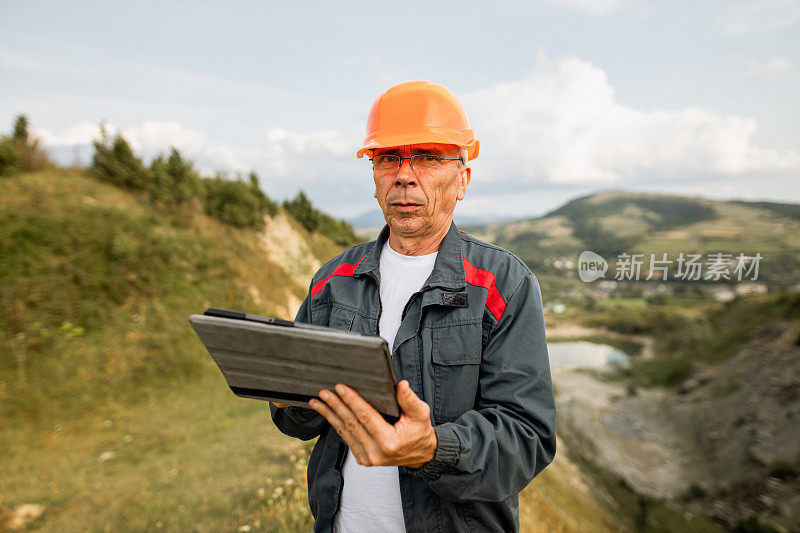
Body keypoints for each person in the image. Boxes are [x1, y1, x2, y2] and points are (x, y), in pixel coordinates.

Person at [270, 80, 556, 532]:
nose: (404, 175)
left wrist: (432, 448)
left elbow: (527, 438)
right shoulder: (331, 280)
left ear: (462, 178)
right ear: (375, 177)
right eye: (388, 158)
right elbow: (299, 424)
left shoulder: (504, 284)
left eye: (426, 157)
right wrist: (287, 394)